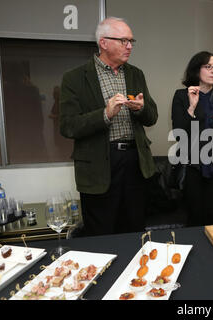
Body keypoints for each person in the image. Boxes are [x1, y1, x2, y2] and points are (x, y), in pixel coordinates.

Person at [60, 17, 158, 236]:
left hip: (135, 163)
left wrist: (140, 109)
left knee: (135, 231)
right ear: (103, 42)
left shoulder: (136, 74)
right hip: (98, 167)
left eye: (131, 41)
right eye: (124, 41)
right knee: (101, 234)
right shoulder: (74, 78)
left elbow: (152, 117)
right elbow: (67, 126)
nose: (130, 46)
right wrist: (105, 114)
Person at [171, 51, 213, 226]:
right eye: (208, 66)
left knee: (212, 215)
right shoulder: (181, 95)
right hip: (192, 165)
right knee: (194, 215)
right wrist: (191, 108)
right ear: (196, 70)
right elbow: (178, 133)